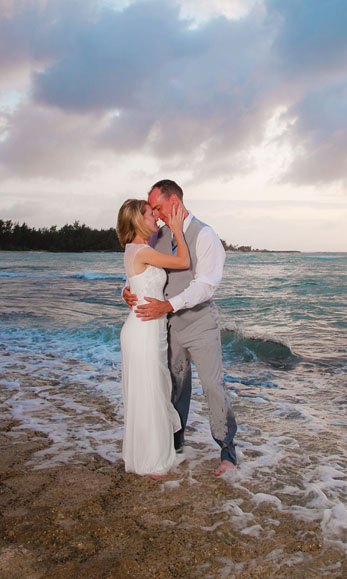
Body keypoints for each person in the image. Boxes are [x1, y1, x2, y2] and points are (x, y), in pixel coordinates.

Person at [124, 179, 238, 476]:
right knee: (173, 387)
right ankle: (174, 446)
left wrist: (168, 305)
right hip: (167, 327)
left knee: (213, 386)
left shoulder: (205, 236)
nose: (157, 214)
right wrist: (125, 290)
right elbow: (141, 269)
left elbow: (206, 286)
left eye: (158, 207)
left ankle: (228, 452)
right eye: (153, 210)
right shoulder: (156, 235)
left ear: (175, 200)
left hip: (200, 324)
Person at [116, 198, 189, 478]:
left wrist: (124, 291)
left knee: (153, 392)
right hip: (143, 331)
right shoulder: (142, 251)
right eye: (150, 214)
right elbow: (182, 261)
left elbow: (136, 282)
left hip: (148, 329)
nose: (155, 218)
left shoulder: (136, 250)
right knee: (149, 395)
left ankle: (151, 456)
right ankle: (150, 462)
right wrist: (177, 229)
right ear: (137, 220)